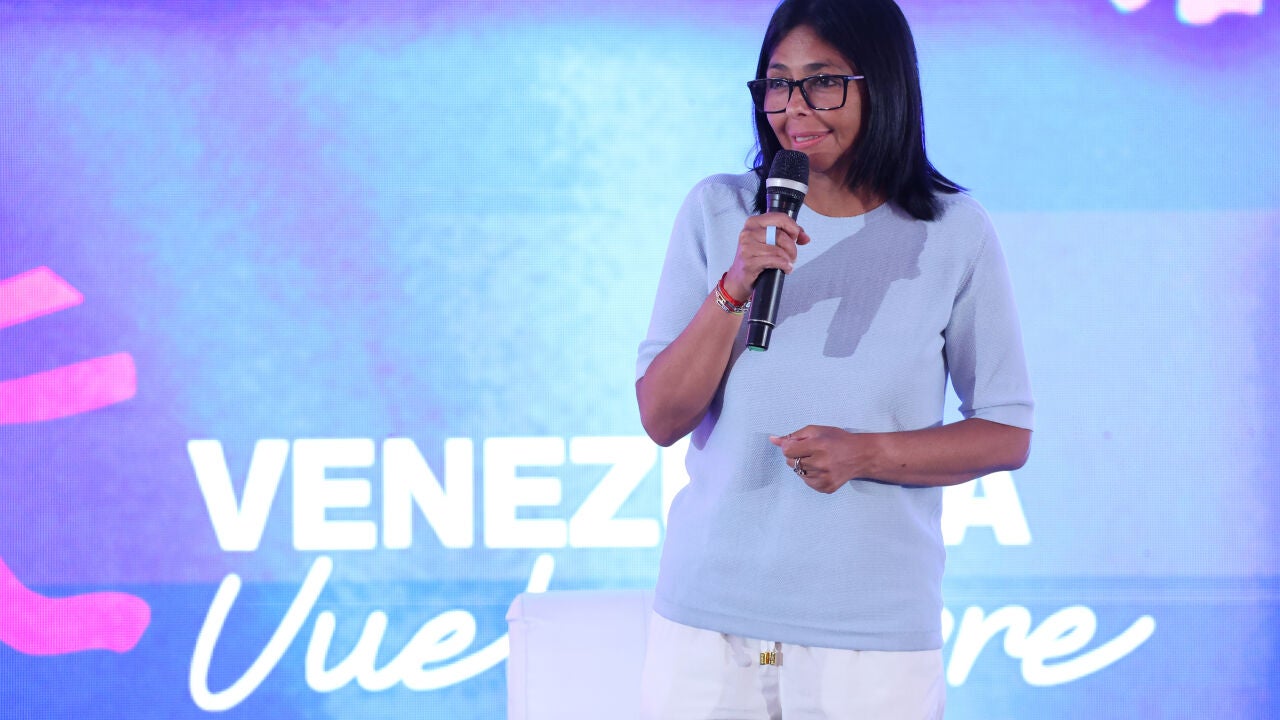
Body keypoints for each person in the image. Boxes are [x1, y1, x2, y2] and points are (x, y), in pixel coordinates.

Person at [633, 0, 1034, 717]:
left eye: (822, 82)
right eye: (777, 83)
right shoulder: (719, 211)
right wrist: (734, 285)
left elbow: (1005, 433)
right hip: (710, 620)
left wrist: (866, 453)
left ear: (881, 84)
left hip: (870, 638)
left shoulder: (952, 232)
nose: (793, 107)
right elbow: (661, 418)